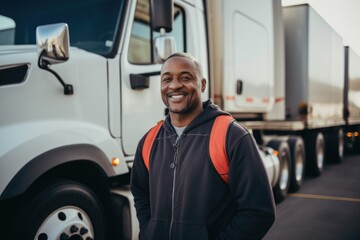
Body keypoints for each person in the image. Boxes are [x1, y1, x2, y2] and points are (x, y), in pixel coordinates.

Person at [130, 52, 275, 240]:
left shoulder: (232, 136)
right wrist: (150, 231)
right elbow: (141, 195)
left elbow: (259, 212)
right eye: (167, 79)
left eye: (185, 77)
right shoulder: (149, 140)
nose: (174, 85)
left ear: (203, 84)